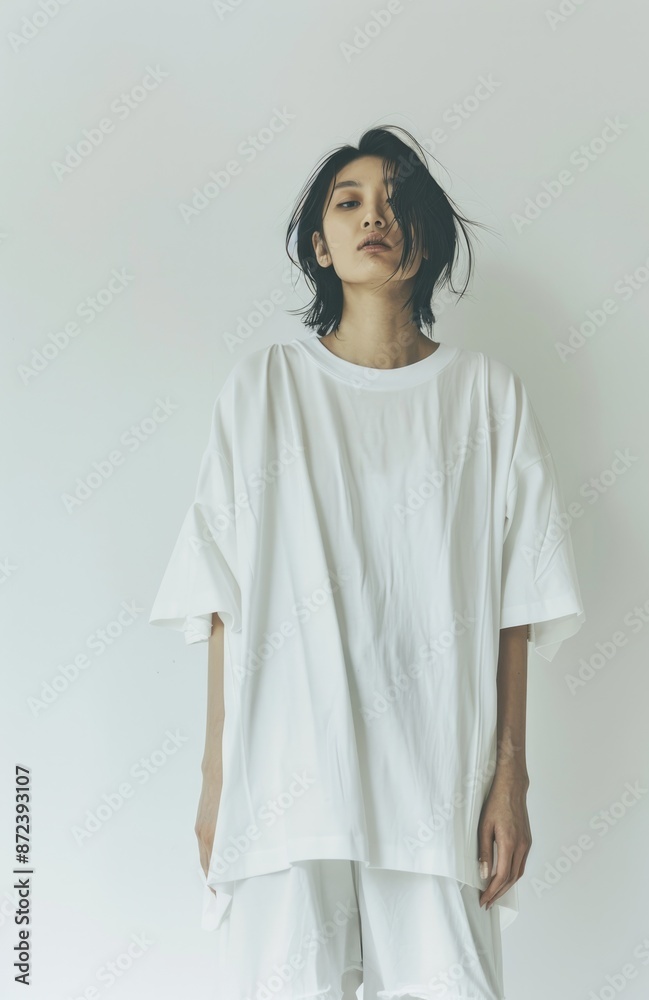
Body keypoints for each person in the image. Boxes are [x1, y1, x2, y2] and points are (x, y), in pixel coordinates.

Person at [149, 124, 586, 1000]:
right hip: (286, 783)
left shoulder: (485, 397)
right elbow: (221, 594)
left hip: (435, 779)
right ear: (320, 243)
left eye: (395, 201)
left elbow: (517, 602)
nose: (373, 216)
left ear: (425, 234)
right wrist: (216, 780)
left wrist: (510, 777)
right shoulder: (264, 387)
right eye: (348, 202)